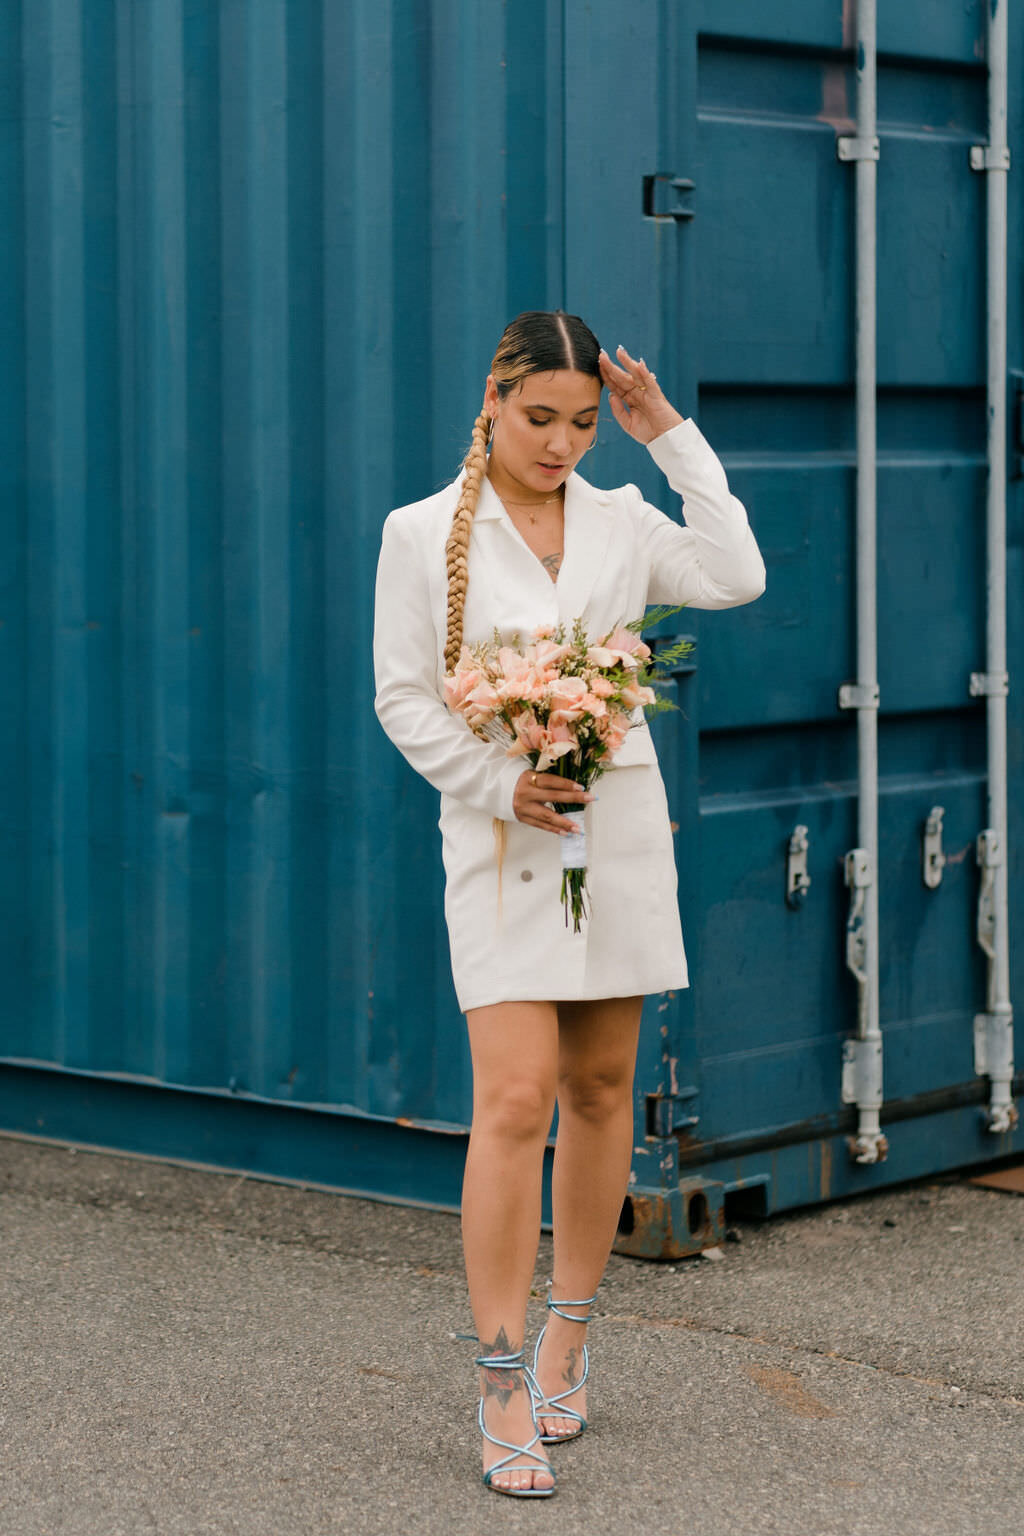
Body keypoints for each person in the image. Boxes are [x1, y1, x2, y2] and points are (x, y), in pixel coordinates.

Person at [372, 310, 765, 1497]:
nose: (561, 443)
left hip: (620, 834)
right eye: (540, 417)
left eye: (584, 422)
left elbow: (737, 575)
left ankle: (570, 1341)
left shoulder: (621, 515)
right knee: (512, 1097)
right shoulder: (418, 531)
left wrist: (668, 438)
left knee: (601, 1091)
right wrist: (500, 782)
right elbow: (404, 699)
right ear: (492, 399)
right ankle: (498, 1377)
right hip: (499, 841)